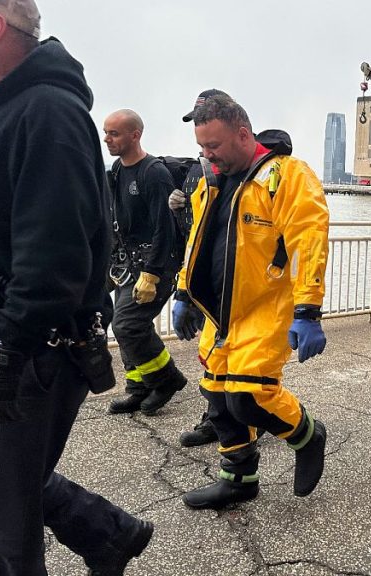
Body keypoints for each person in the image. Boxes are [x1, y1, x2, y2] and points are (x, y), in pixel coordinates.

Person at [0, 0, 153, 573]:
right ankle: (108, 534)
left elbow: (56, 259)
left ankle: (108, 537)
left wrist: (4, 352)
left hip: (29, 349)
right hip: (0, 342)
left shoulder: (47, 110)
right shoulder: (1, 106)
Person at [173, 95, 329, 509]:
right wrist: (183, 292)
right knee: (218, 399)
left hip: (266, 308)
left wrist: (308, 310)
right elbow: (197, 242)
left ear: (243, 134)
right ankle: (239, 479)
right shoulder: (213, 181)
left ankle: (308, 435)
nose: (208, 155)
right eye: (202, 148)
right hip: (221, 314)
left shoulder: (285, 176)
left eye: (214, 147)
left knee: (248, 397)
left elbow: (307, 240)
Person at [103, 109, 188, 416]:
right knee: (124, 324)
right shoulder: (116, 169)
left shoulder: (153, 173)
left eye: (114, 133)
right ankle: (138, 387)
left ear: (135, 135)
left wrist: (152, 274)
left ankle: (166, 380)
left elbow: (165, 226)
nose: (107, 139)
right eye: (106, 132)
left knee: (128, 324)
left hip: (155, 265)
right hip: (128, 265)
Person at [168, 90, 230, 448]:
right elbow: (191, 236)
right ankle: (219, 415)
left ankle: (251, 415)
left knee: (239, 361)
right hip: (200, 275)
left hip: (230, 280)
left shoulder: (238, 172)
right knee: (210, 355)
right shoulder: (195, 170)